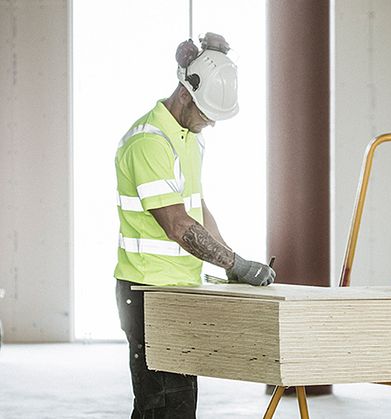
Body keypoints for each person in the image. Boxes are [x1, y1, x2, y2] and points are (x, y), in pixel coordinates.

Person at [114, 33, 275, 418]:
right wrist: (235, 263)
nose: (211, 125)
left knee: (175, 406)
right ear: (185, 95)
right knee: (164, 407)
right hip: (147, 291)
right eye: (207, 114)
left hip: (176, 290)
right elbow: (178, 225)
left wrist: (229, 262)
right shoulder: (149, 142)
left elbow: (196, 209)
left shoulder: (188, 137)